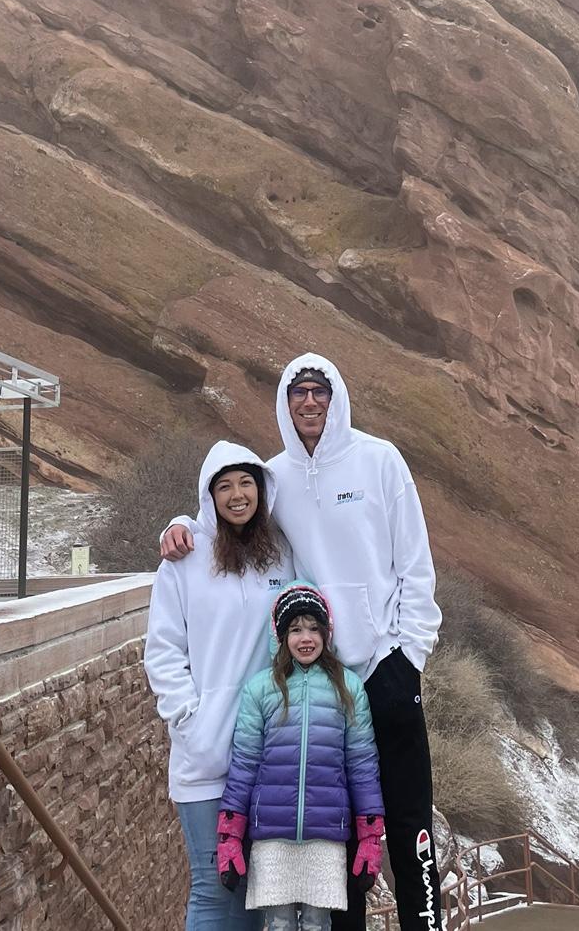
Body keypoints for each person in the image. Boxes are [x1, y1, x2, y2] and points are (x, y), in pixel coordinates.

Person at [162, 356, 443, 931]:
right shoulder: (275, 476)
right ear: (285, 406)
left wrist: (409, 657)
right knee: (336, 840)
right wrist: (176, 526)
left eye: (319, 391)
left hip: (386, 673)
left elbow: (416, 566)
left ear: (336, 396)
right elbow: (223, 514)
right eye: (298, 394)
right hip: (326, 686)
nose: (309, 402)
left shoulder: (380, 460)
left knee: (409, 825)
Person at [146, 440, 296, 931]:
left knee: (257, 890)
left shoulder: (280, 557)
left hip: (267, 752)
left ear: (261, 489)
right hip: (206, 757)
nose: (237, 495)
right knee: (214, 887)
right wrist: (190, 721)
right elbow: (163, 651)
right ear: (208, 496)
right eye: (224, 485)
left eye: (246, 483)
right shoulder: (184, 559)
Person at [215, 583, 385, 930]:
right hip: (272, 836)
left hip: (326, 835)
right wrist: (229, 836)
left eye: (313, 628)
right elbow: (244, 765)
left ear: (326, 633)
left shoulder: (349, 688)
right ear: (281, 635)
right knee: (277, 924)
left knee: (317, 923)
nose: (305, 638)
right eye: (295, 629)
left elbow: (363, 767)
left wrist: (370, 838)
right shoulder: (260, 689)